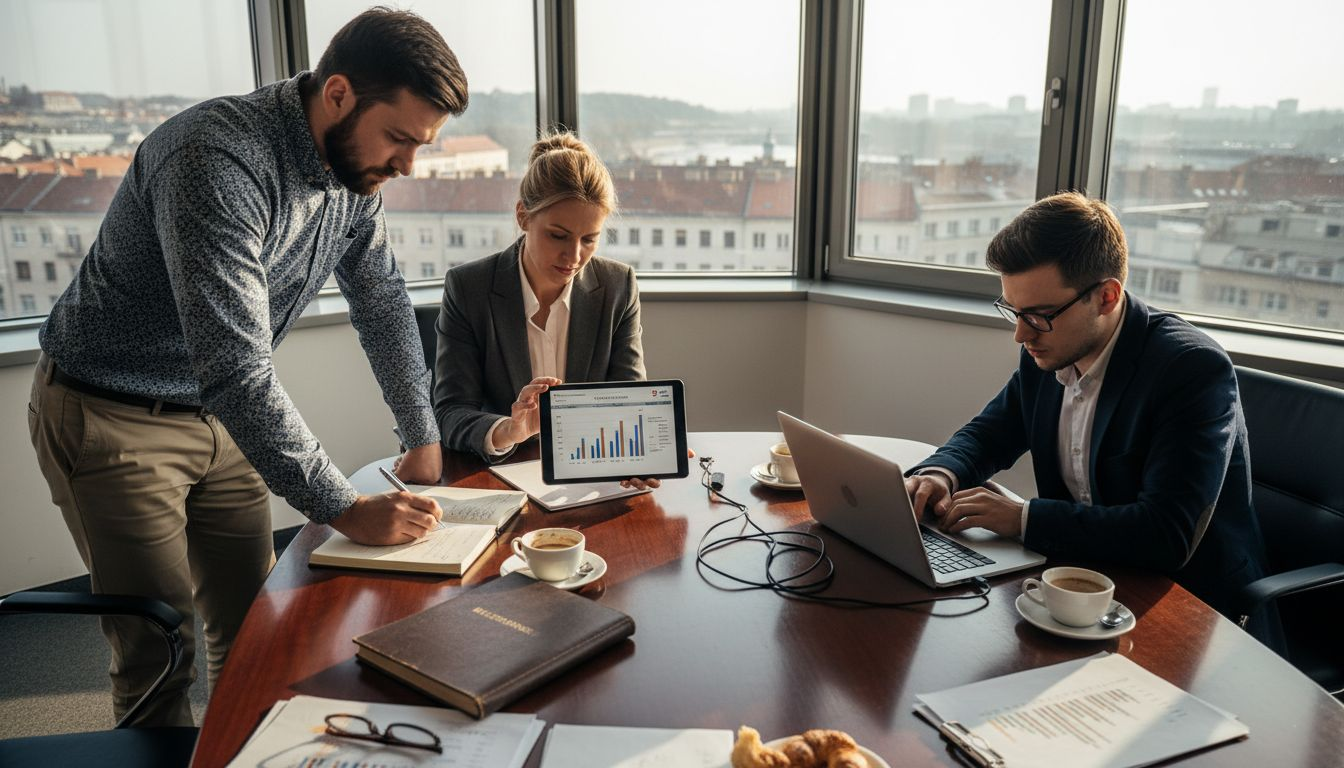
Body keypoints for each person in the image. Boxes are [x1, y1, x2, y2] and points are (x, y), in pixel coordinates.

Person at [27, 8, 467, 727]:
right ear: (338, 95)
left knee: (257, 631)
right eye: (399, 138)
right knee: (159, 653)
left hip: (220, 415)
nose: (407, 166)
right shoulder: (215, 157)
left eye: (421, 145)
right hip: (113, 415)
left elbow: (382, 299)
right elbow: (236, 366)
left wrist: (421, 434)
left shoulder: (353, 178)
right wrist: (346, 507)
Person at [904, 191, 1275, 640]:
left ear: (1106, 296)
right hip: (1081, 584)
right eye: (1014, 312)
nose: (1020, 334)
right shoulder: (1049, 347)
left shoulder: (1190, 370)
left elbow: (1166, 534)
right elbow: (991, 433)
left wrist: (1022, 519)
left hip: (1190, 613)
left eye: (1039, 315)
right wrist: (940, 473)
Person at [432, 132, 654, 481]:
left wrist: (647, 450)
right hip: (501, 479)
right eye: (558, 235)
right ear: (523, 216)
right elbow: (450, 413)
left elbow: (628, 401)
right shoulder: (469, 288)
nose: (574, 256)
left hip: (589, 476)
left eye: (589, 239)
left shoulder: (618, 286)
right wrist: (509, 430)